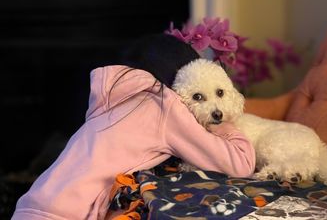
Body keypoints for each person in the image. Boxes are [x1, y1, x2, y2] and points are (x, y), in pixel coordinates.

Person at [12, 34, 255, 220]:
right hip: (68, 213)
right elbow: (240, 163)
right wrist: (224, 121)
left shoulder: (113, 97)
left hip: (32, 202)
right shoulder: (167, 107)